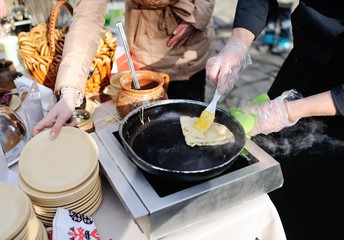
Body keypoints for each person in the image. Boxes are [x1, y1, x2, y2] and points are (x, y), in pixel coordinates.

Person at [206, 1, 344, 239]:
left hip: (337, 109)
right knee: (269, 191)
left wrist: (287, 112)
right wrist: (237, 45)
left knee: (322, 215)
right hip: (301, 71)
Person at [34, 0, 216, 139]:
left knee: (192, 123)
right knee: (154, 133)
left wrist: (196, 18)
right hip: (144, 40)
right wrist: (69, 93)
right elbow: (87, 18)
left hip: (190, 47)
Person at [124, 0, 215, 101]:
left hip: (195, 40)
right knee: (153, 111)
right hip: (148, 43)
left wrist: (197, 18)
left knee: (193, 109)